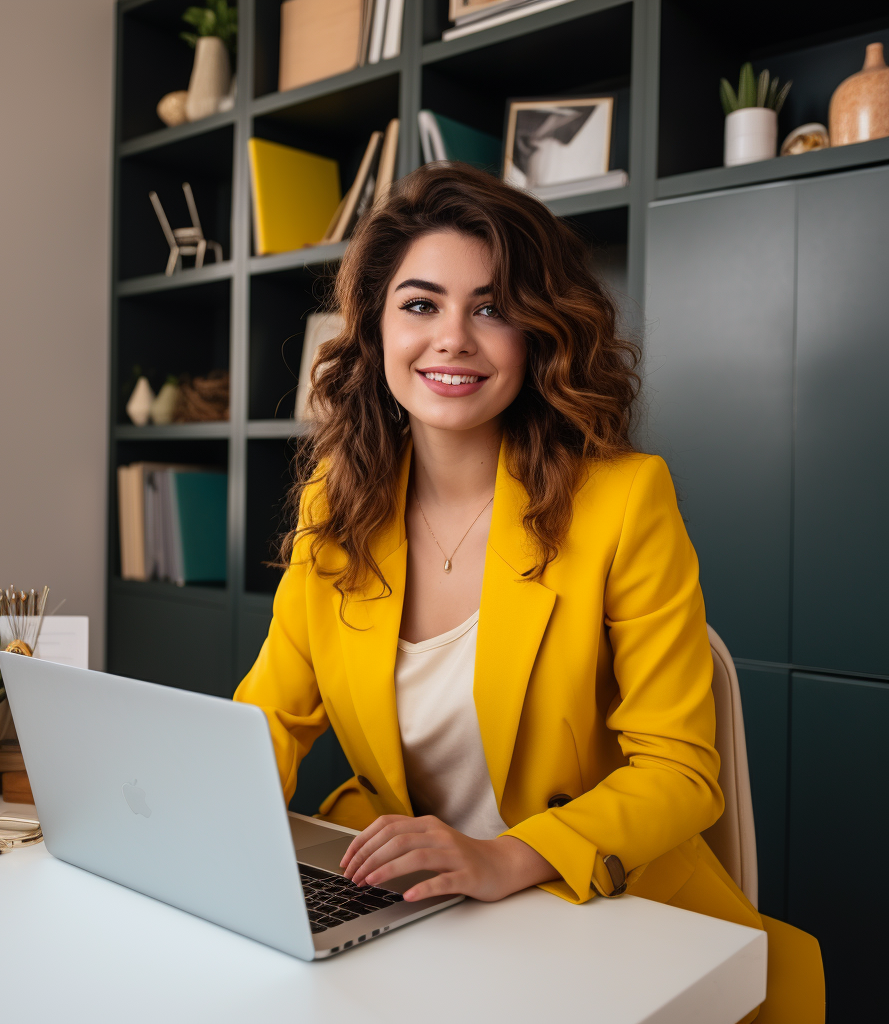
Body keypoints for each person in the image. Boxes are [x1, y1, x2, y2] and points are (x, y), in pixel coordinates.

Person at [234, 163, 822, 1022]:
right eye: (421, 304)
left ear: (540, 334)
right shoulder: (338, 501)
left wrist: (503, 858)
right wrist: (190, 824)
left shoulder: (624, 501)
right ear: (374, 330)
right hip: (416, 908)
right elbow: (269, 717)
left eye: (493, 308)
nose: (453, 340)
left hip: (594, 910)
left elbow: (682, 771)